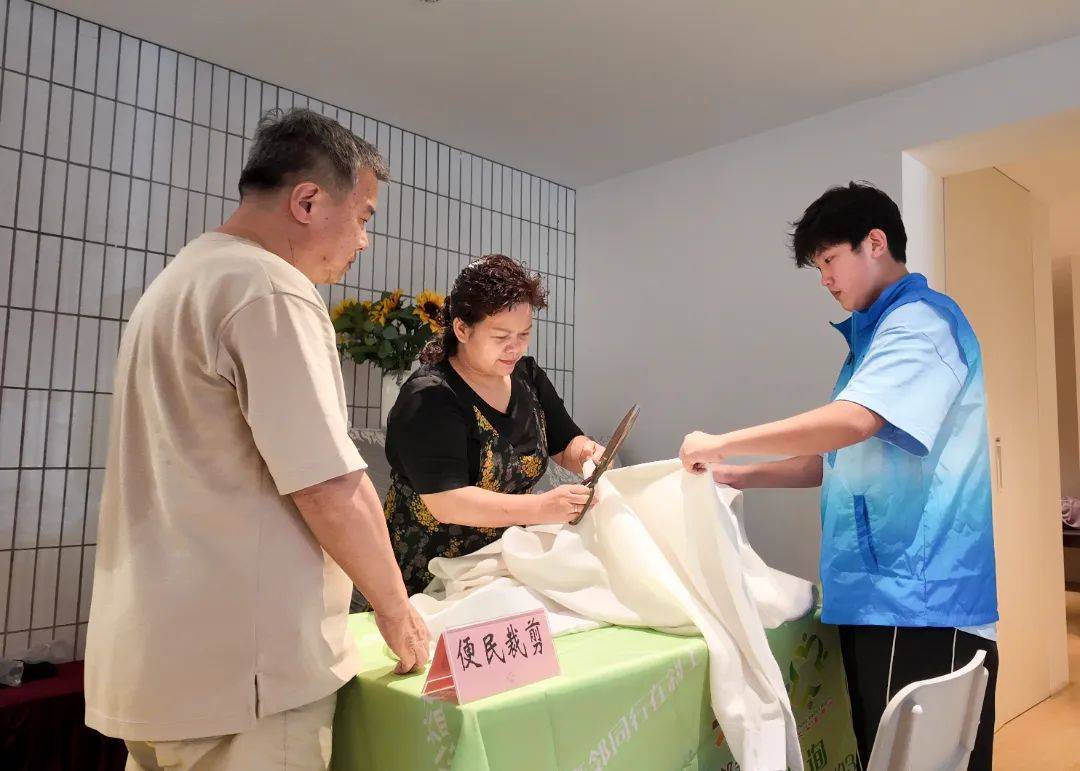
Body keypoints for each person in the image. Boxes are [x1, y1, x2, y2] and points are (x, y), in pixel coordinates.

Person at [84, 108, 429, 771]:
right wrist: (395, 609)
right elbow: (329, 484)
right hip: (246, 678)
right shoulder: (270, 288)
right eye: (363, 218)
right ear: (307, 200)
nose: (363, 242)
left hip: (158, 667)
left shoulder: (175, 283)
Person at [679, 182, 999, 769]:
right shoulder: (871, 341)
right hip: (876, 594)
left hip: (918, 598)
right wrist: (733, 474)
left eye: (829, 260)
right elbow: (829, 458)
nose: (824, 279)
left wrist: (721, 440)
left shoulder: (921, 324)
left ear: (875, 243)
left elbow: (849, 423)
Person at [379, 254, 604, 600]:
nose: (514, 348)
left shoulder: (527, 377)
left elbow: (565, 442)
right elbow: (447, 501)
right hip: (427, 580)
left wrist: (586, 453)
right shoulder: (431, 397)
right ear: (462, 329)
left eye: (524, 334)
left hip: (499, 570)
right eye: (501, 336)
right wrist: (543, 508)